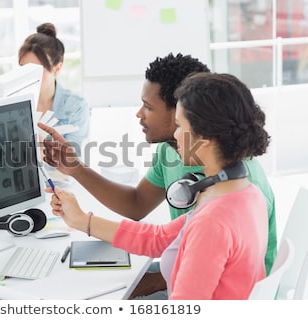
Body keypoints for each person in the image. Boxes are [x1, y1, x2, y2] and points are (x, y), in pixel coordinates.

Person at [38, 53, 277, 298]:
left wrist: (155, 282)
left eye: (180, 124)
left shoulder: (216, 218)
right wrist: (80, 217)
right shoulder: (235, 188)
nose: (139, 114)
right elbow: (157, 233)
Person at [19, 22, 90, 154]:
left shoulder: (76, 107)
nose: (29, 77)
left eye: (38, 70)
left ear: (57, 69)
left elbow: (74, 163)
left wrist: (41, 149)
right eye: (25, 70)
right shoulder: (14, 104)